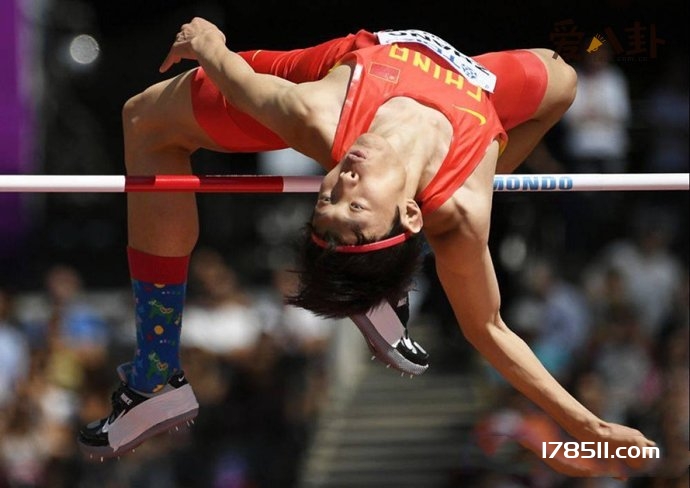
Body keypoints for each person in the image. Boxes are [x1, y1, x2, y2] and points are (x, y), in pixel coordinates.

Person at [78, 18, 656, 478]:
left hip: (336, 73)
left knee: (145, 119)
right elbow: (490, 328)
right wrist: (589, 427)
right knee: (562, 75)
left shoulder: (316, 119)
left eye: (326, 198)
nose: (342, 181)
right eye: (354, 208)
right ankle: (376, 283)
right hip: (468, 96)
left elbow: (228, 69)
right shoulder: (459, 207)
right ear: (411, 214)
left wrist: (208, 42)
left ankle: (155, 372)